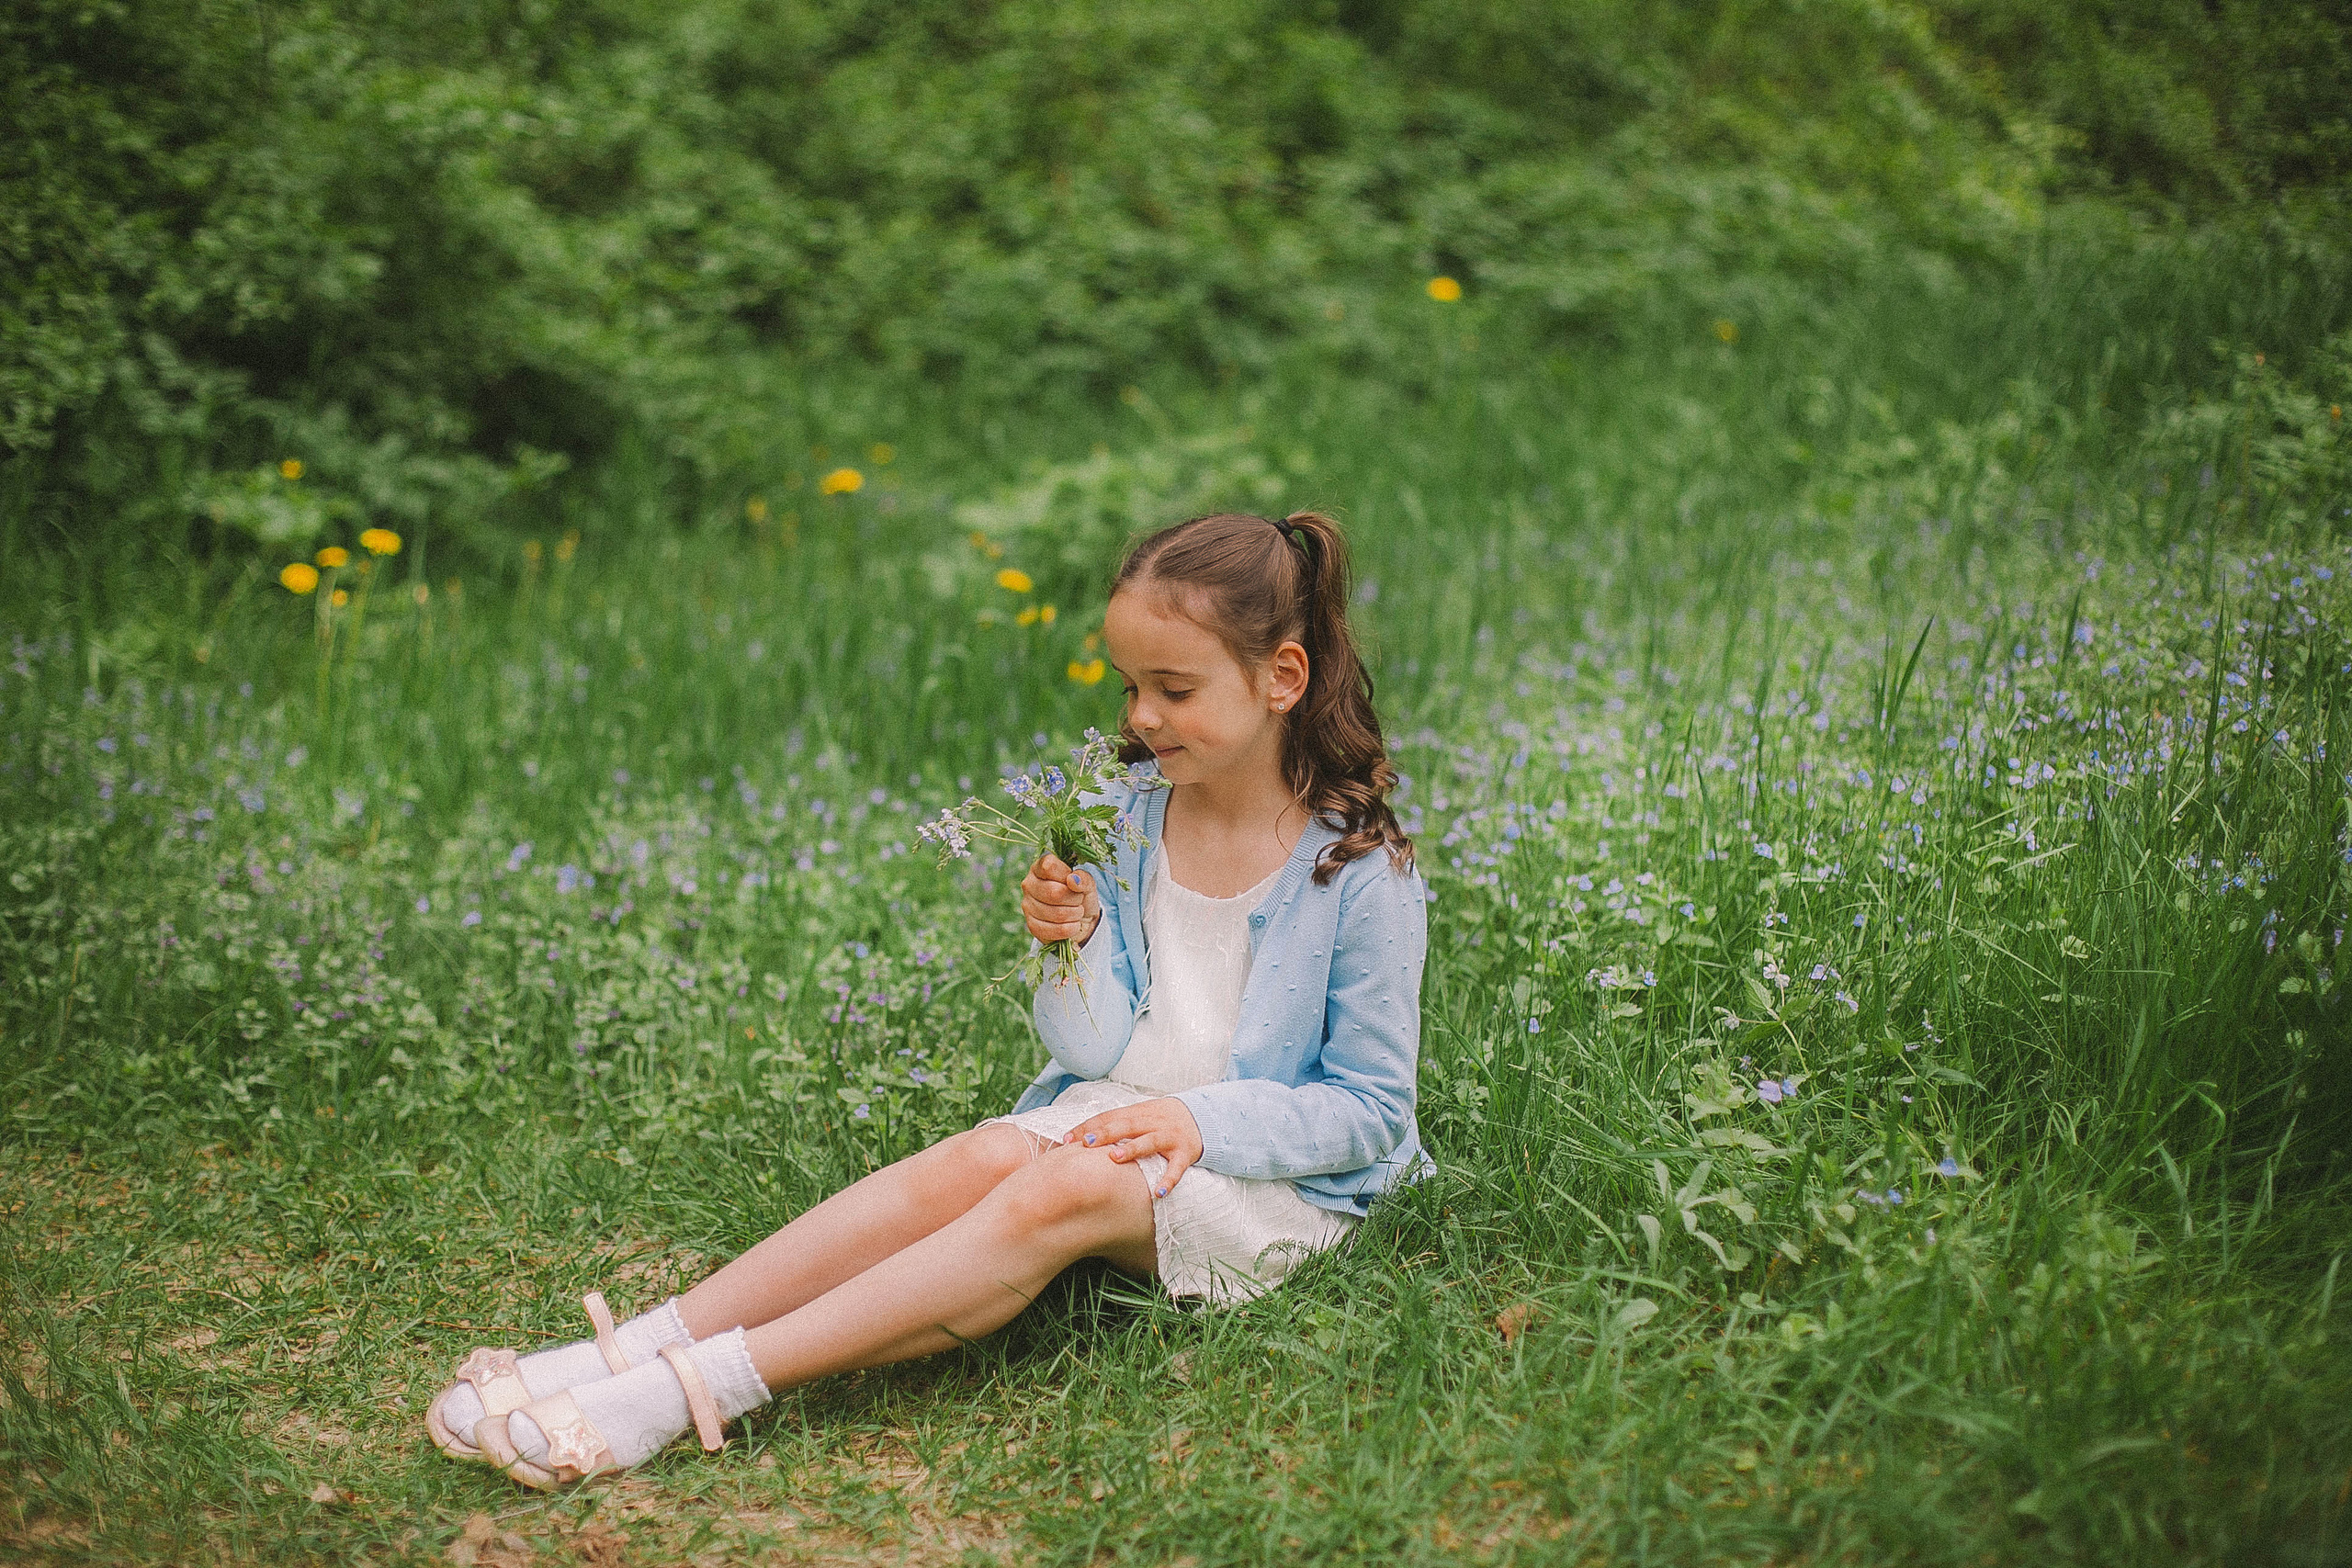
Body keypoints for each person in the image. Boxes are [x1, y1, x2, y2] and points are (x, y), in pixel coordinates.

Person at [424, 510, 1430, 1487]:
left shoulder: (1357, 872)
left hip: (1284, 1184)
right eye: (1129, 686)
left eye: (1172, 688)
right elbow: (1089, 1050)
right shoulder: (1123, 819)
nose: (1139, 718)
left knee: (1057, 1185)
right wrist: (1067, 946)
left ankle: (701, 1386)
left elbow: (1372, 1111)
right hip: (1120, 1119)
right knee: (993, 1149)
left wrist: (1196, 1123)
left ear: (1281, 679)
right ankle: (638, 1347)